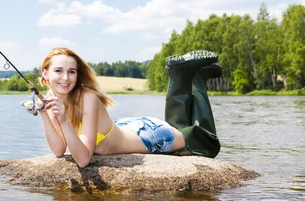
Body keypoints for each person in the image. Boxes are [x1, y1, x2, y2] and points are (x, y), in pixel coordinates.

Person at [36, 47, 221, 168]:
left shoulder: (88, 97)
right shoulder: (52, 100)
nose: (66, 78)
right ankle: (182, 74)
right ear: (45, 72)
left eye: (71, 72)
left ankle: (197, 79)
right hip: (127, 127)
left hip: (148, 134)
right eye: (58, 71)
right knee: (180, 127)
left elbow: (83, 160)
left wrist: (63, 120)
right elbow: (59, 150)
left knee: (207, 142)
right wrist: (44, 114)